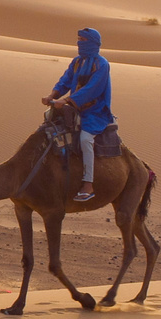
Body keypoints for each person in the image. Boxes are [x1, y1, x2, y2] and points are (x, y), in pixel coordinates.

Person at [42, 27, 115, 202]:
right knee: (48, 125)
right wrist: (52, 95)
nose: (78, 43)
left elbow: (91, 90)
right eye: (78, 39)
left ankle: (88, 184)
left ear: (92, 43)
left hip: (94, 111)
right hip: (74, 107)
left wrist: (67, 101)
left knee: (85, 139)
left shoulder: (102, 65)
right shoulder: (77, 62)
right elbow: (65, 80)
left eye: (82, 40)